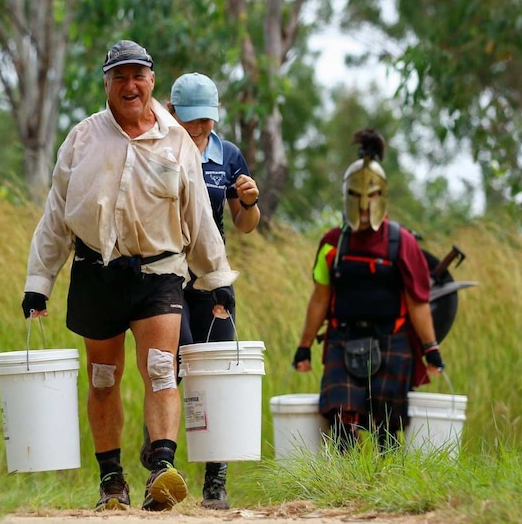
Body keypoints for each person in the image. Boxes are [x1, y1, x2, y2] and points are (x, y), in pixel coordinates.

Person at [21, 40, 238, 512]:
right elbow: (55, 216)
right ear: (107, 84)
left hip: (159, 271)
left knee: (161, 369)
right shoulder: (81, 139)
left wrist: (216, 275)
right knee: (103, 378)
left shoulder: (177, 141)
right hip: (96, 271)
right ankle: (111, 480)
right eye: (119, 76)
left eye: (138, 75)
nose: (130, 85)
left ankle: (161, 470)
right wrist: (39, 284)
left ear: (152, 80)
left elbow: (198, 214)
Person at [140, 72, 259, 510]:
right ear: (171, 113)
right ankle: (158, 453)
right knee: (171, 360)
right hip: (166, 275)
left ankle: (216, 481)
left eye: (206, 121)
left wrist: (248, 202)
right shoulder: (155, 148)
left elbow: (244, 225)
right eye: (190, 120)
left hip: (211, 278)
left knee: (216, 370)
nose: (198, 130)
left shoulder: (227, 155)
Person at [291, 128, 445, 452]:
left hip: (393, 338)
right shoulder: (333, 242)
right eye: (356, 197)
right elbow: (320, 296)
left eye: (370, 196)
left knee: (387, 423)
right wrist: (304, 346)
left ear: (381, 195)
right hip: (342, 338)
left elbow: (418, 302)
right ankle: (347, 485)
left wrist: (431, 349)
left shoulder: (402, 242)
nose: (363, 206)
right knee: (341, 415)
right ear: (346, 195)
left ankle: (386, 484)